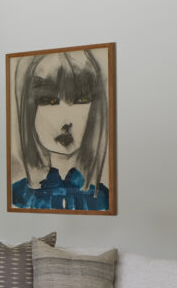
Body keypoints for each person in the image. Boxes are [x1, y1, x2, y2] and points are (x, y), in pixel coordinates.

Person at [11, 49, 109, 211]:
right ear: (29, 110)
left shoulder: (103, 199)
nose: (66, 122)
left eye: (82, 99)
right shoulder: (17, 196)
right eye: (49, 101)